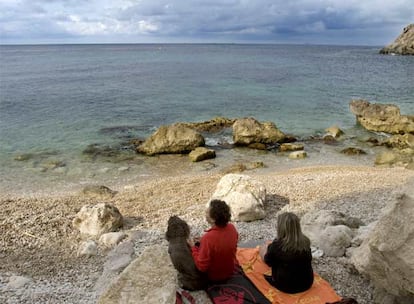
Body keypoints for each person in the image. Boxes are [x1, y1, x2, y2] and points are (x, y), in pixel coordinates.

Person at [259, 212, 314, 294]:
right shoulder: (306, 241)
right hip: (307, 283)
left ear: (281, 228)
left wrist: (263, 249)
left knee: (263, 248)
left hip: (285, 286)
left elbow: (268, 261)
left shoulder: (277, 246)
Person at [188, 199, 239, 282]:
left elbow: (202, 267)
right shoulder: (232, 228)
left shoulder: (208, 238)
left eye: (207, 212)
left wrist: (193, 248)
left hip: (214, 277)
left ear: (213, 220)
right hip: (230, 270)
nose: (205, 213)